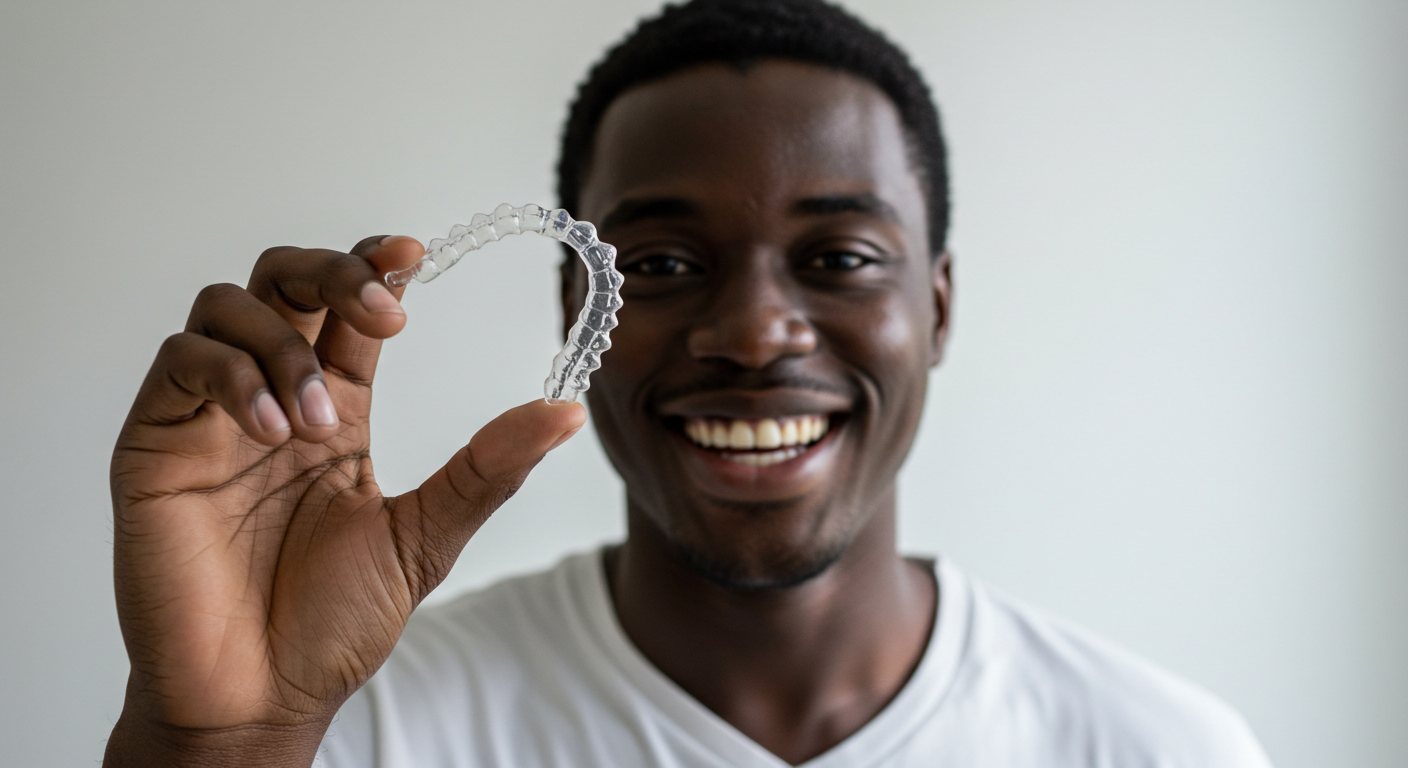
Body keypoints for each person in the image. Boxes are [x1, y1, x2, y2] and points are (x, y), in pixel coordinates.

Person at [102, 1, 1274, 766]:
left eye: (839, 259)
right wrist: (222, 738)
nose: (756, 332)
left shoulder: (1157, 748)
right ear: (581, 310)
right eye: (657, 264)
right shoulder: (362, 730)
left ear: (938, 306)